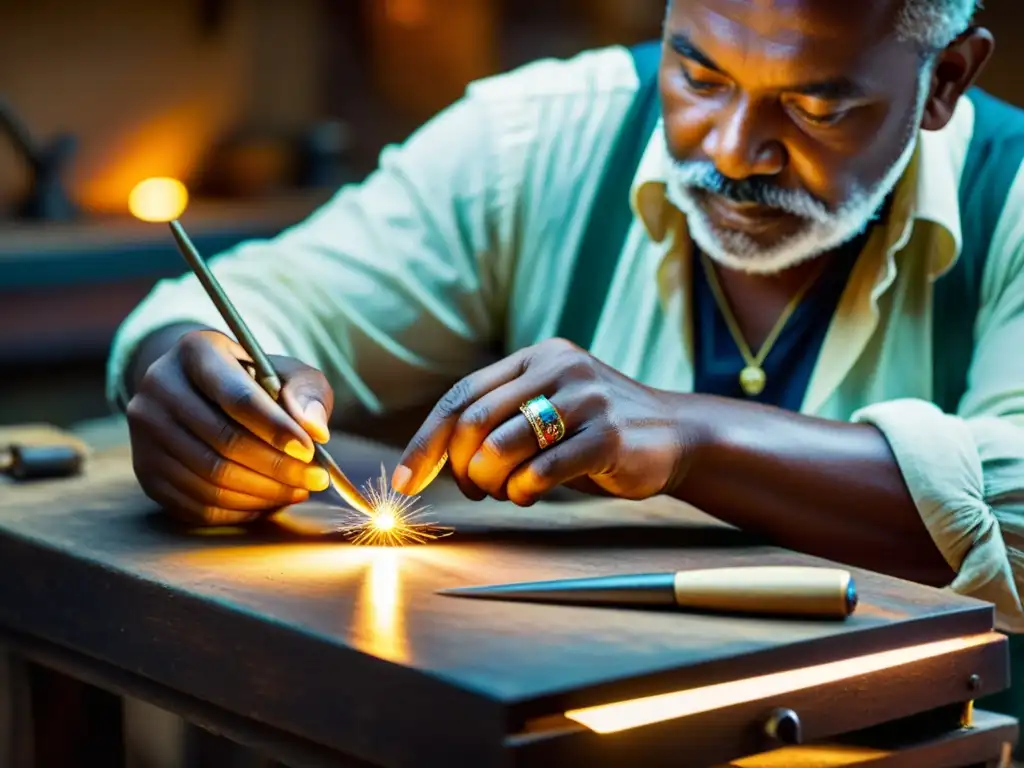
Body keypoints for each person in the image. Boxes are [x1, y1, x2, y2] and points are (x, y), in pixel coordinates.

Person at [110, 0, 1023, 683]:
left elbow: (1014, 522)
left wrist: (686, 436)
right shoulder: (534, 138)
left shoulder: (1009, 196)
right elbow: (236, 305)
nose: (737, 148)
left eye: (816, 109)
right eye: (699, 77)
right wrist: (195, 383)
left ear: (946, 79)